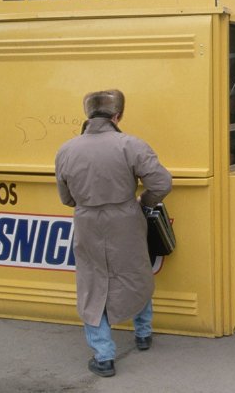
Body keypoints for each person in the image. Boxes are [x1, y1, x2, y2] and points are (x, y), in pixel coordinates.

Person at [55, 90, 172, 378]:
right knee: (135, 273)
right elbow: (162, 182)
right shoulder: (130, 144)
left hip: (87, 221)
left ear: (88, 115)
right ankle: (143, 334)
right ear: (116, 116)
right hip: (126, 219)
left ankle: (104, 356)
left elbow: (66, 198)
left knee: (92, 283)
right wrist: (143, 202)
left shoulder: (66, 149)